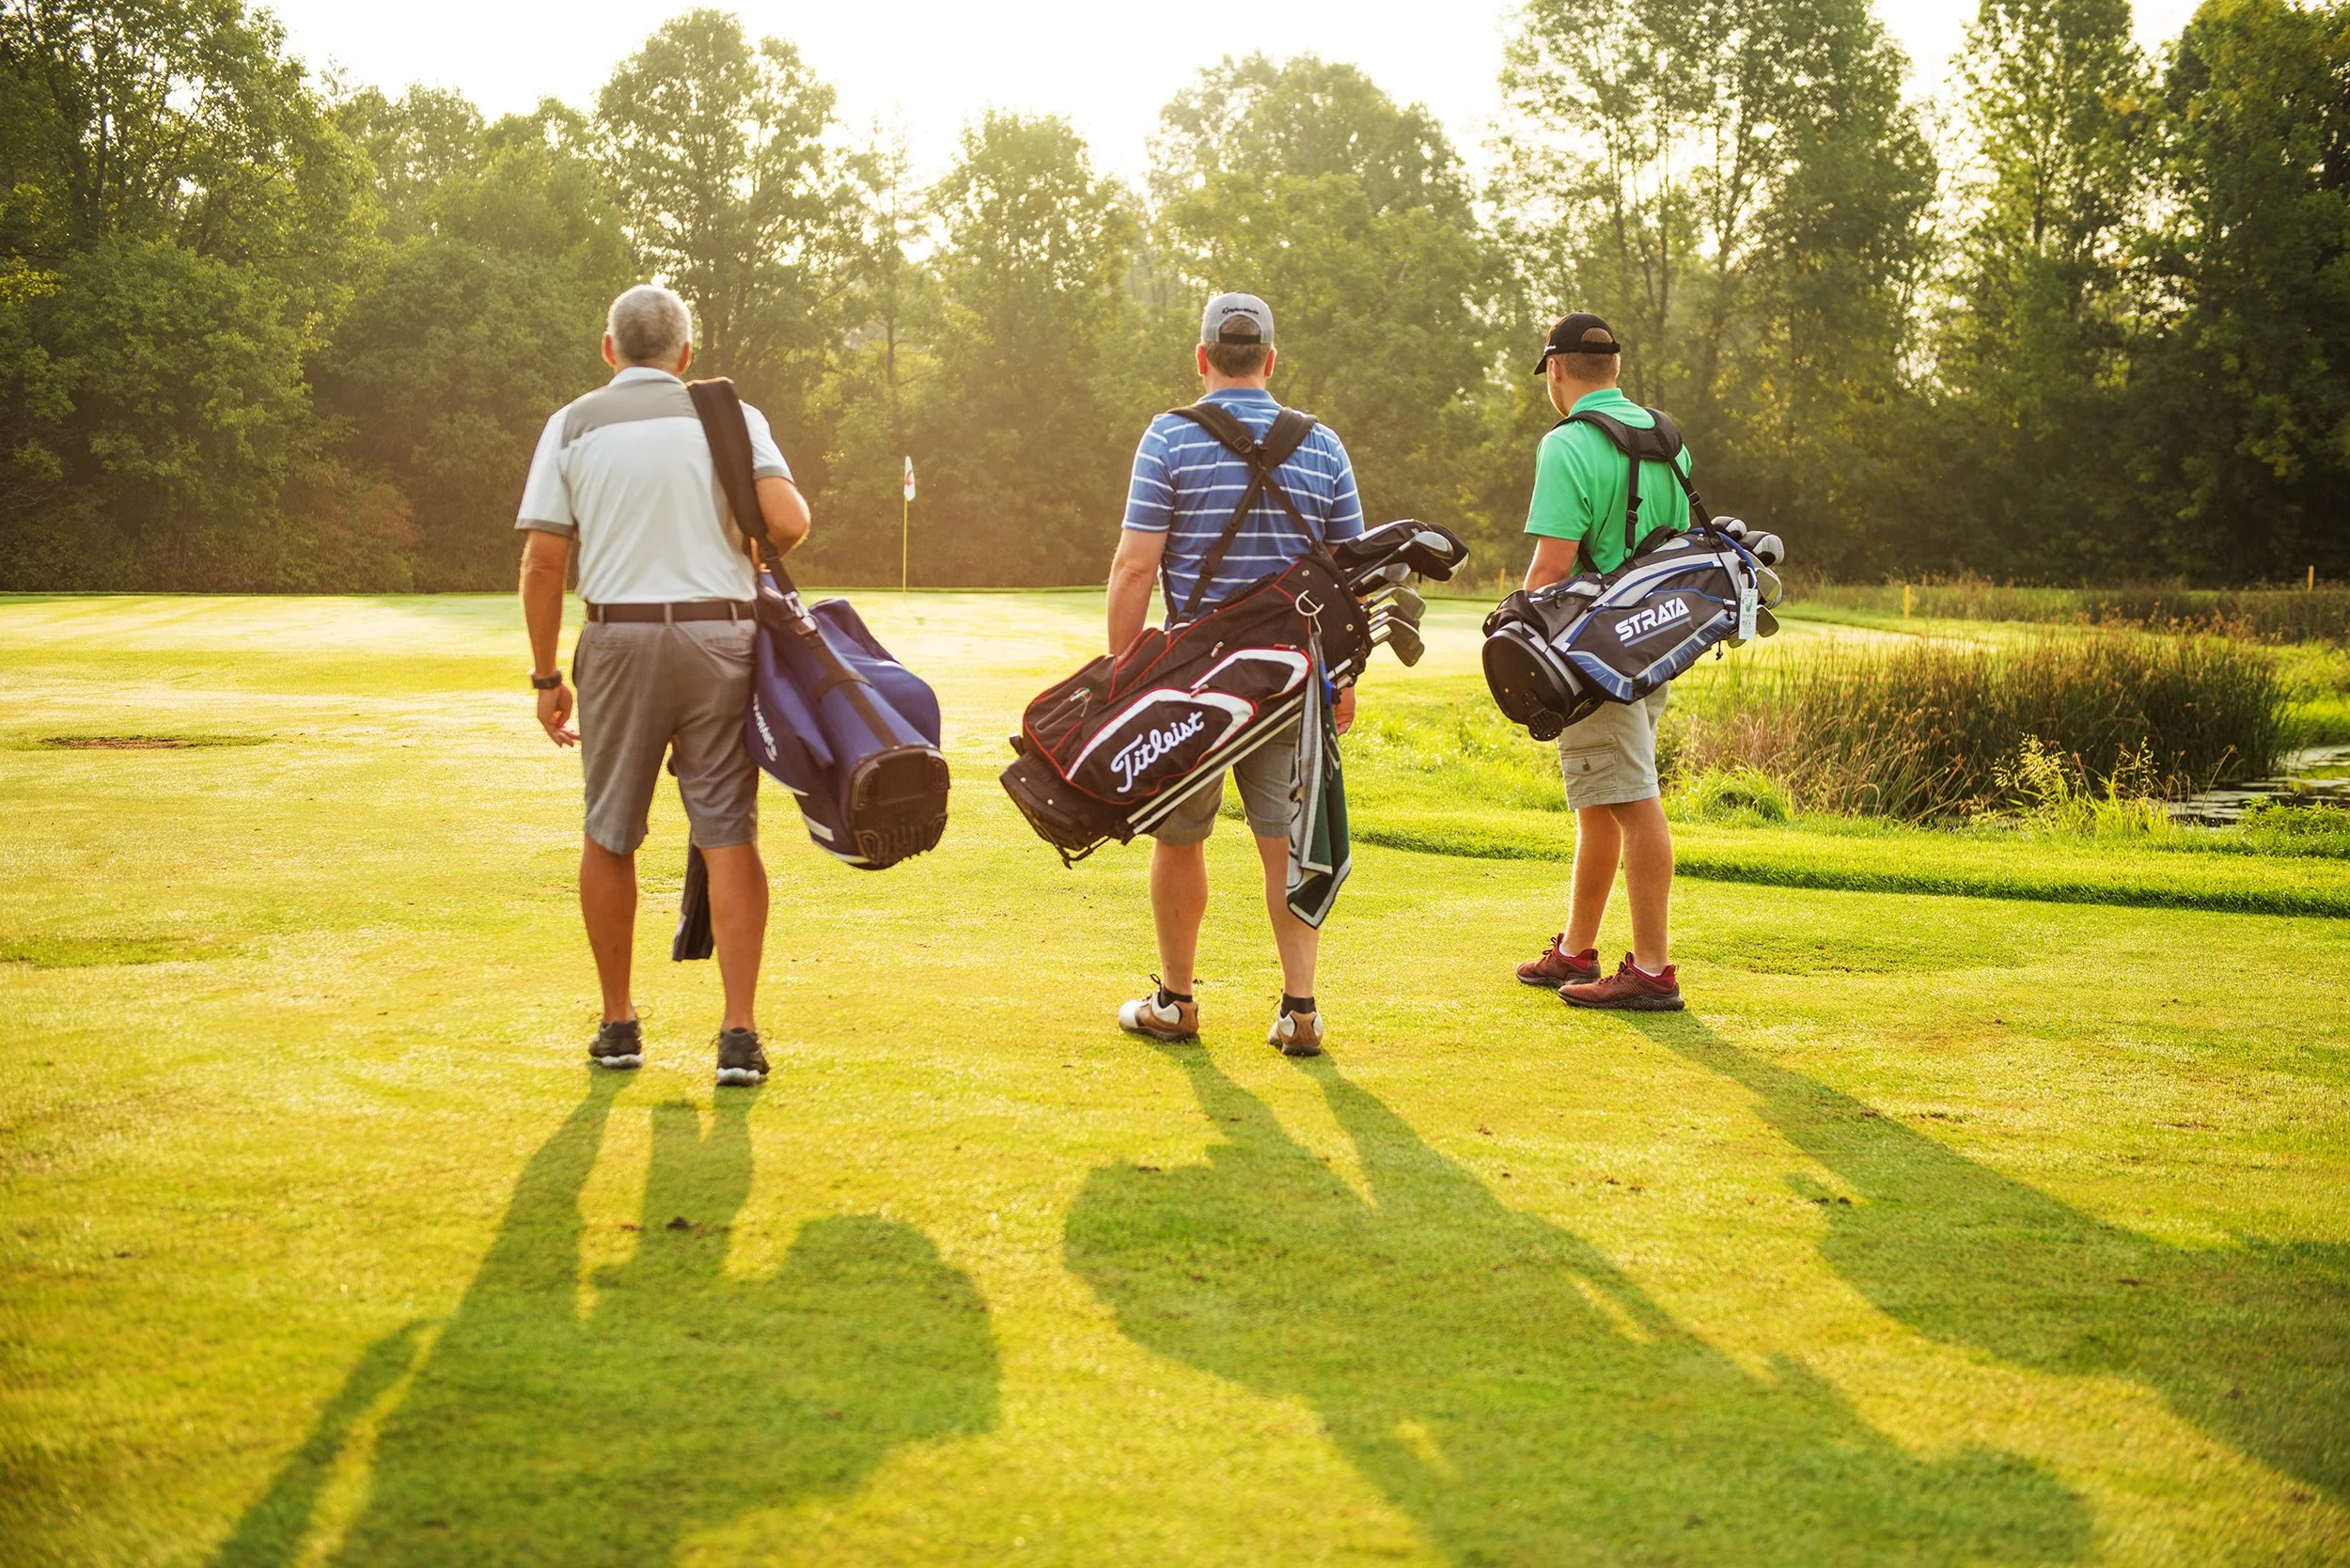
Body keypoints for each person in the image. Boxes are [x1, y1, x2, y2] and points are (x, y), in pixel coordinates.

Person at [516, 283, 811, 1083]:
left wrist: (547, 675)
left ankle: (618, 1025)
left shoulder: (572, 424)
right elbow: (788, 523)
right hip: (723, 637)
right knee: (728, 832)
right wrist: (735, 547)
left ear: (608, 350)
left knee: (611, 830)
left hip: (619, 640)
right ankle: (739, 1036)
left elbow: (545, 563)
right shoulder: (730, 417)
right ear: (686, 354)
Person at [1104, 292, 1366, 1057]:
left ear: (1202, 358)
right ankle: (1301, 1011)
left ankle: (1177, 1001)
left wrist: (1124, 670)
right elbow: (1354, 581)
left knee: (1180, 839)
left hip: (1194, 681)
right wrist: (1343, 677)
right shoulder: (1323, 445)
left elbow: (1133, 567)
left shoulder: (1167, 437)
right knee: (1285, 842)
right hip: (1292, 680)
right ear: (1272, 361)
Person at [1511, 313, 1690, 1011]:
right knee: (1600, 799)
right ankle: (1575, 951)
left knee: (1633, 800)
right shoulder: (1667, 438)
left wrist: (1522, 636)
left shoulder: (1568, 444)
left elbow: (1550, 569)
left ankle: (1651, 971)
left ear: (1555, 371)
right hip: (1657, 639)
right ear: (1613, 369)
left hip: (1593, 651)